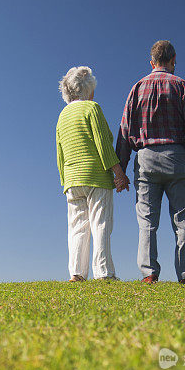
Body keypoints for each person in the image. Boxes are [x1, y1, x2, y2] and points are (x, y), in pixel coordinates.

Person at [116, 40, 185, 284]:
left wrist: (121, 171)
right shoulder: (182, 86)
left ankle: (149, 274)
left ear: (152, 62)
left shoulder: (137, 88)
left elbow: (124, 131)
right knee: (183, 219)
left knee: (147, 220)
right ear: (174, 59)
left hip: (145, 158)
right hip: (177, 157)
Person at [56, 66, 129, 282]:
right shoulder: (92, 108)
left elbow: (59, 152)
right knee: (101, 225)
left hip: (72, 179)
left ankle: (77, 273)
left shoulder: (62, 116)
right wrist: (119, 174)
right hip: (96, 177)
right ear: (87, 90)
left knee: (77, 227)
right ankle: (104, 273)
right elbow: (103, 145)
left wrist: (64, 181)